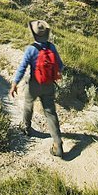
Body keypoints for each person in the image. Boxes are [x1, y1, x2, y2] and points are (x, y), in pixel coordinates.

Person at [10, 20, 64, 158]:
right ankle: (57, 143)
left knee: (28, 105)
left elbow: (22, 67)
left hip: (34, 83)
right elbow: (60, 65)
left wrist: (15, 83)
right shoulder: (52, 47)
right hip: (49, 85)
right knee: (51, 113)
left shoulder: (31, 49)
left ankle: (26, 128)